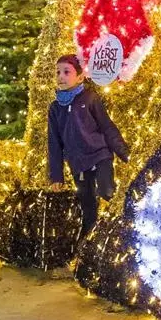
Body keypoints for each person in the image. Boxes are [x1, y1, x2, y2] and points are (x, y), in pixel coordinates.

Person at [46, 54, 127, 234]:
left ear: (80, 77)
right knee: (87, 204)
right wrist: (56, 176)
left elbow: (107, 126)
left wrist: (124, 152)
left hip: (100, 156)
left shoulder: (90, 98)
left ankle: (120, 226)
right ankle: (89, 242)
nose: (61, 76)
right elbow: (54, 143)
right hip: (78, 163)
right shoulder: (55, 108)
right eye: (58, 72)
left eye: (66, 72)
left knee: (106, 190)